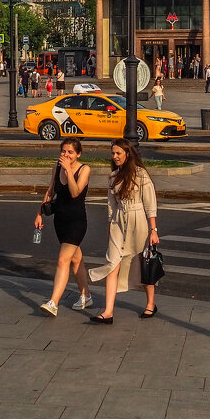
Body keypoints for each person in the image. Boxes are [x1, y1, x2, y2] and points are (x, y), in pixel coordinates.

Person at [87, 138, 160, 324]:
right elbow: (111, 205)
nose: (115, 156)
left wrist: (153, 230)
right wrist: (110, 226)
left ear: (128, 154)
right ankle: (108, 311)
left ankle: (151, 303)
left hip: (139, 222)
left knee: (142, 262)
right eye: (113, 153)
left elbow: (150, 204)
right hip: (118, 222)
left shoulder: (140, 174)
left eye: (118, 153)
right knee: (112, 263)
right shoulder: (113, 177)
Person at [34, 137, 94, 316]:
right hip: (60, 220)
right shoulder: (57, 167)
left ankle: (53, 302)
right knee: (76, 260)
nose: (66, 155)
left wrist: (68, 170)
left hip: (76, 222)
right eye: (63, 151)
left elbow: (75, 193)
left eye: (70, 152)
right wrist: (39, 213)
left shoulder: (84, 169)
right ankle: (86, 295)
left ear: (78, 154)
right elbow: (51, 190)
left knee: (63, 260)